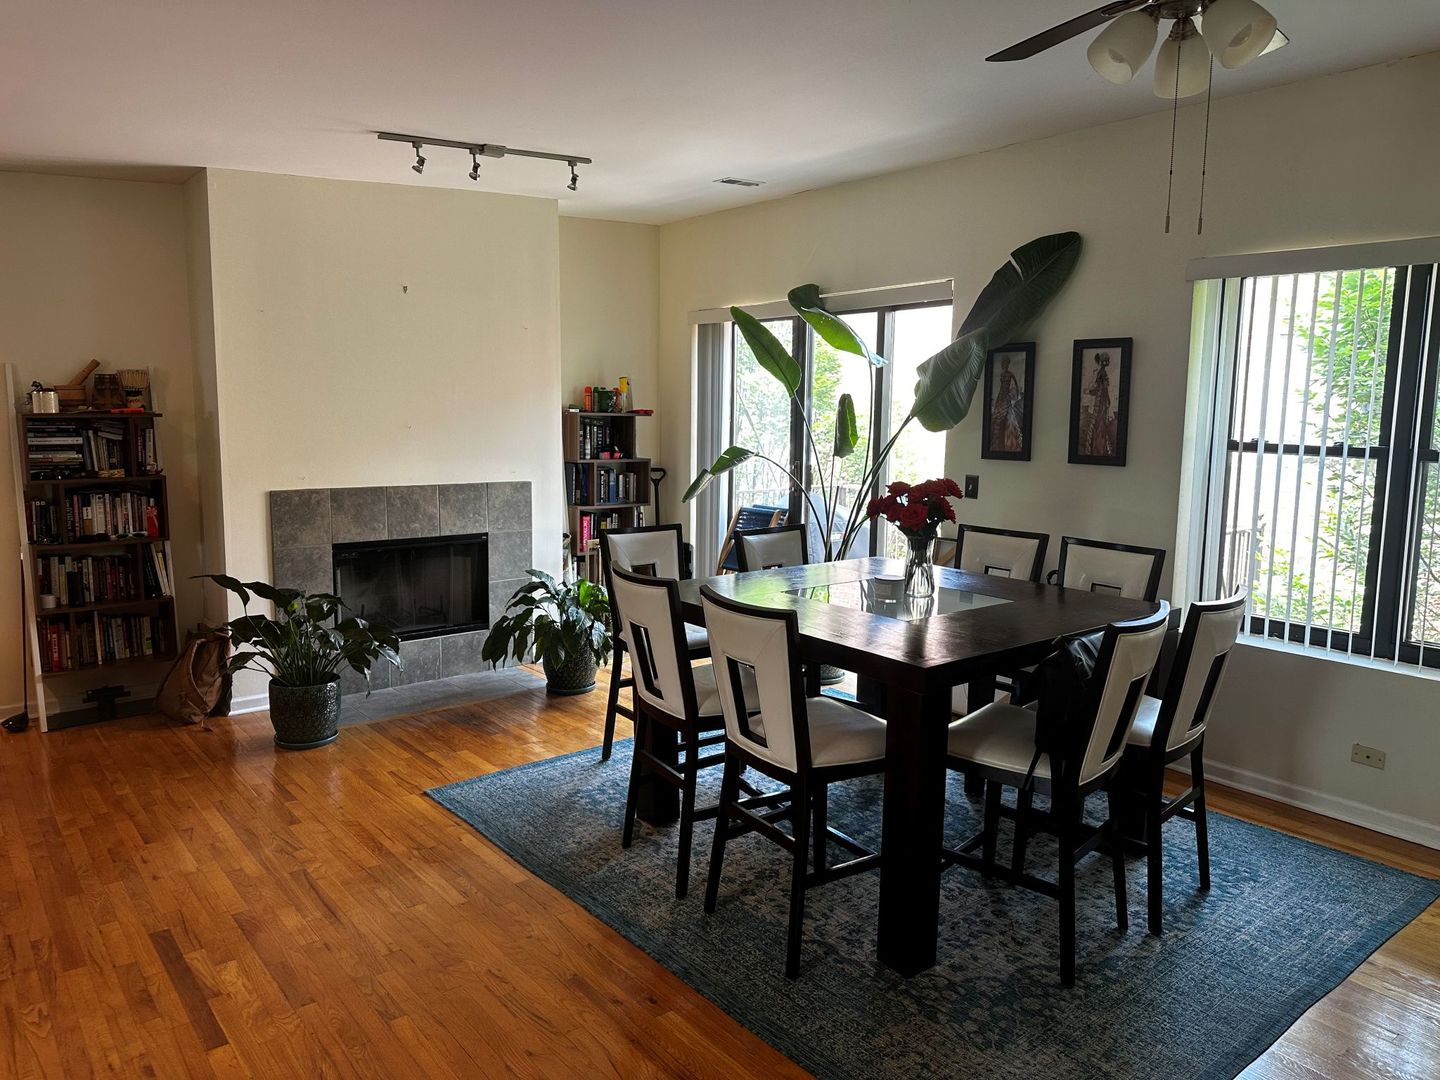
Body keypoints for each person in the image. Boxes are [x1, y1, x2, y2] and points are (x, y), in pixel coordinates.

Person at [990, 355, 1024, 453]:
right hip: (1001, 394)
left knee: (1008, 414)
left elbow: (1016, 385)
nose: (1003, 365)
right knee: (997, 415)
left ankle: (1009, 439)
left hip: (1006, 395)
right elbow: (1001, 386)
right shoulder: (1002, 375)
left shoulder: (1010, 374)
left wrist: (1017, 395)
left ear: (1007, 364)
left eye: (1005, 363)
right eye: (1002, 364)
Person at [1083, 352, 1115, 457]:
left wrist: (1089, 392)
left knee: (1099, 425)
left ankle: (1099, 449)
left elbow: (1100, 389)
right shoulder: (1102, 372)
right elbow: (1102, 389)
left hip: (1101, 402)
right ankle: (1098, 449)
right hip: (1101, 402)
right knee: (1099, 425)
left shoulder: (1102, 372)